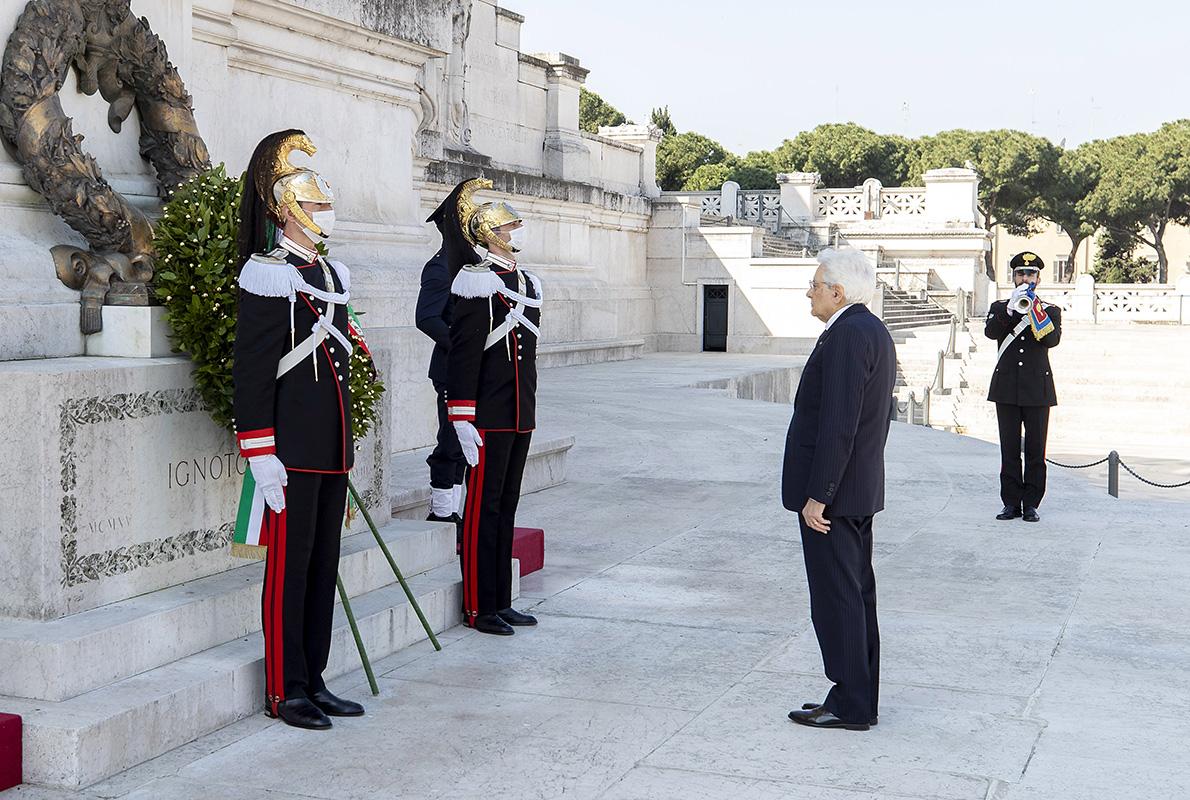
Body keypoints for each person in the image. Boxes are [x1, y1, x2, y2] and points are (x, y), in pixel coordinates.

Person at [233, 129, 365, 729]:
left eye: (324, 204)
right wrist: (260, 452)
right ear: (285, 209)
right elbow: (255, 372)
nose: (323, 214)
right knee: (289, 572)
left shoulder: (330, 275)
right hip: (290, 451)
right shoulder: (267, 273)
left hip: (330, 450)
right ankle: (286, 691)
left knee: (320, 568)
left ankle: (314, 677)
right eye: (313, 205)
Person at [783, 247, 896, 732]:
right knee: (853, 594)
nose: (809, 292)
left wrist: (819, 494)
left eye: (815, 285)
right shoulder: (868, 328)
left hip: (836, 496)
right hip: (856, 490)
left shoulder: (849, 334)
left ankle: (851, 703)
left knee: (838, 598)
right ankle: (856, 695)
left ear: (837, 291)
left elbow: (840, 423)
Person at [444, 178, 542, 636]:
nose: (518, 230)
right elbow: (463, 355)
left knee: (506, 507)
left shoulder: (524, 282)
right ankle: (479, 605)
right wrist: (462, 415)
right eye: (511, 225)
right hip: (487, 416)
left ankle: (501, 599)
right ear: (490, 233)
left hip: (518, 414)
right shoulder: (478, 283)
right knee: (483, 511)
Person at [419, 182, 479, 538]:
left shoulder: (471, 266)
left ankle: (456, 512)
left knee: (468, 441)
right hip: (450, 368)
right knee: (452, 442)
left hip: (473, 371)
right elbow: (426, 318)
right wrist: (461, 347)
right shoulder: (440, 267)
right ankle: (443, 513)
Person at [984, 251, 1062, 523]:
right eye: (1020, 273)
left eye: (1030, 274)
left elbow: (1051, 340)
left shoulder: (1050, 310)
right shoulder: (999, 307)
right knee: (1008, 450)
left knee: (1035, 450)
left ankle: (1031, 504)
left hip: (1037, 390)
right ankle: (1010, 503)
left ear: (1038, 279)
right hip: (1006, 388)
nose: (1025, 278)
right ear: (1013, 276)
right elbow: (991, 333)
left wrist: (1034, 309)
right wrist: (1010, 309)